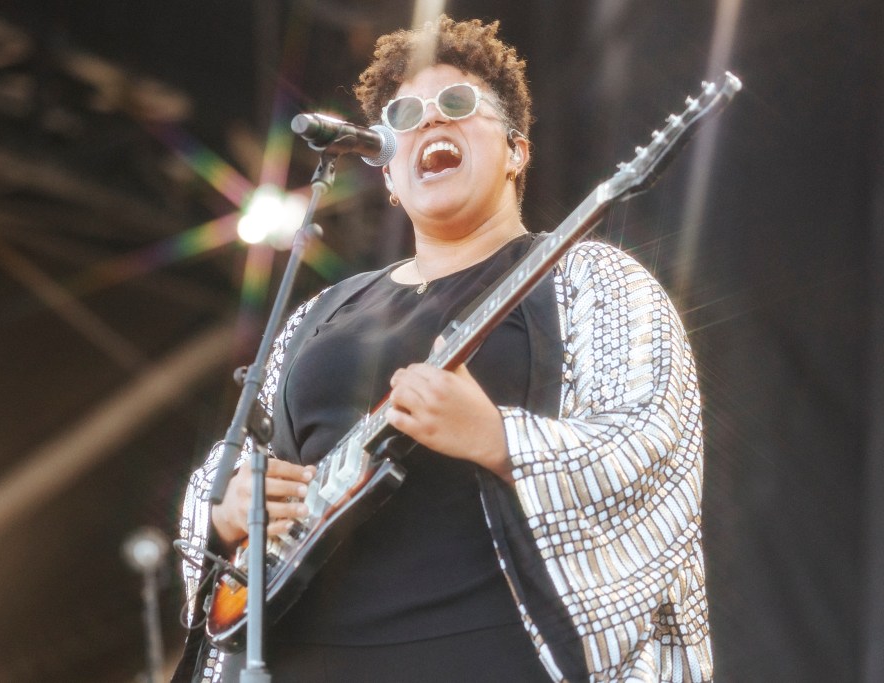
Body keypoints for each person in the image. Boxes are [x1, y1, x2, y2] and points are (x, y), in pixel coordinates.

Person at [174, 15, 712, 683]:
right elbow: (233, 467)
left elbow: (653, 442)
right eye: (405, 116)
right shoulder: (319, 313)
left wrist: (497, 437)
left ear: (516, 150)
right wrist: (224, 509)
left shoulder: (590, 278)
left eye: (457, 105)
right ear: (391, 180)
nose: (430, 123)